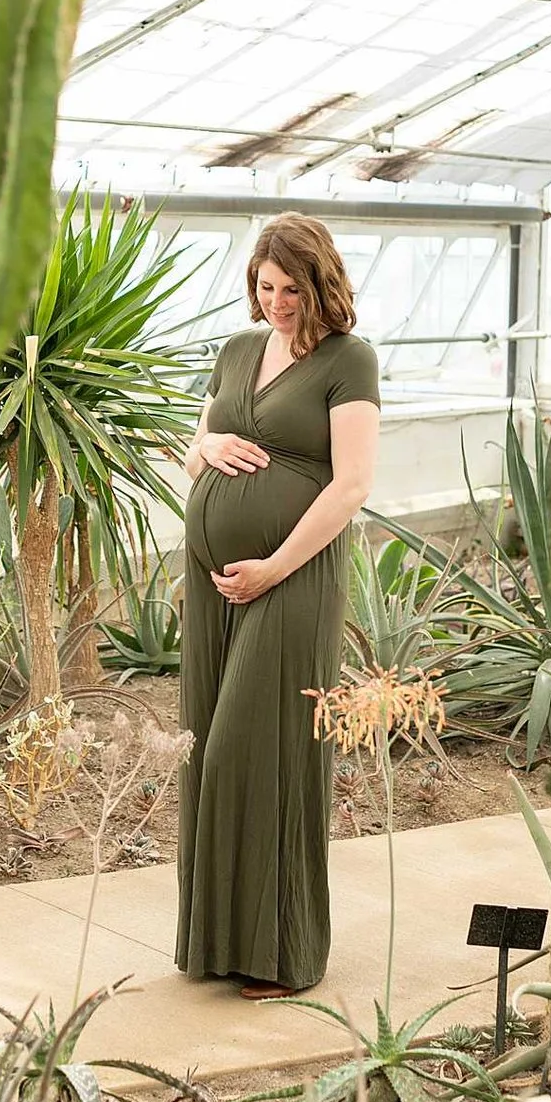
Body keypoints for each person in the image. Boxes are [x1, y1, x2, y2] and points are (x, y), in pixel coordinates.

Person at [173, 213, 380, 1000]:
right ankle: (221, 947)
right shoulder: (236, 350)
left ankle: (282, 954)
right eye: (266, 286)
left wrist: (273, 568)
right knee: (206, 753)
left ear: (321, 285)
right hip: (215, 580)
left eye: (293, 289)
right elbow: (195, 447)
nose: (278, 302)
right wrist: (208, 449)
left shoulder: (348, 360)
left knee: (260, 753)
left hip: (292, 578)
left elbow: (351, 485)